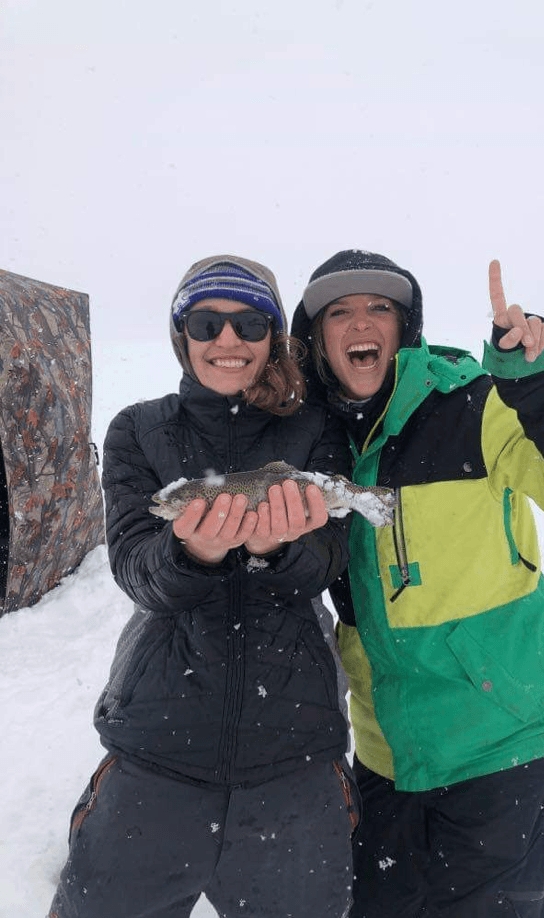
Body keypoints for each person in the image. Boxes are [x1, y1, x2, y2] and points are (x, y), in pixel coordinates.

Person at [291, 249, 544, 918]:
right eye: (339, 311)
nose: (360, 322)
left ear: (405, 328)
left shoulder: (476, 405)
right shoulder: (318, 441)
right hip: (385, 753)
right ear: (315, 342)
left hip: (498, 745)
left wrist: (541, 382)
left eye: (379, 308)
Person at [49, 255, 359, 918]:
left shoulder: (317, 429)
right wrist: (191, 551)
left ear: (274, 336)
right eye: (206, 321)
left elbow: (329, 563)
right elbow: (137, 568)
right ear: (180, 333)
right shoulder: (138, 429)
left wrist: (279, 550)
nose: (227, 340)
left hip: (296, 751)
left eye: (249, 323)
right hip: (155, 747)